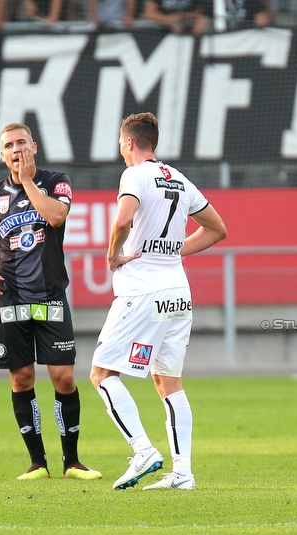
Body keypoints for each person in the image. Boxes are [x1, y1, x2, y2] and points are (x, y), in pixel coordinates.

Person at [90, 112, 227, 491]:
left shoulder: (134, 175)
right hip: (178, 293)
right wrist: (173, 251)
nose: (121, 150)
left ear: (130, 142)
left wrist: (113, 255)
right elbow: (218, 229)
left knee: (101, 374)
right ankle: (183, 473)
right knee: (169, 382)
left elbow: (122, 220)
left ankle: (143, 451)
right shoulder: (179, 179)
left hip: (142, 291)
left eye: (121, 143)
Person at [0, 122, 102, 482]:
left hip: (51, 297)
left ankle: (72, 462)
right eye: (9, 145)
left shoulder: (57, 182)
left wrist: (26, 182)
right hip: (10, 300)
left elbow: (55, 216)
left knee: (64, 378)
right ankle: (38, 463)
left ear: (34, 146)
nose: (16, 149)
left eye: (22, 142)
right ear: (2, 153)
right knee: (21, 380)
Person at [143, 0, 209, 34]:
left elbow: (200, 12)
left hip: (188, 23)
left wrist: (180, 16)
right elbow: (148, 14)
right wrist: (168, 19)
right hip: (162, 26)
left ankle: (194, 43)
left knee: (203, 21)